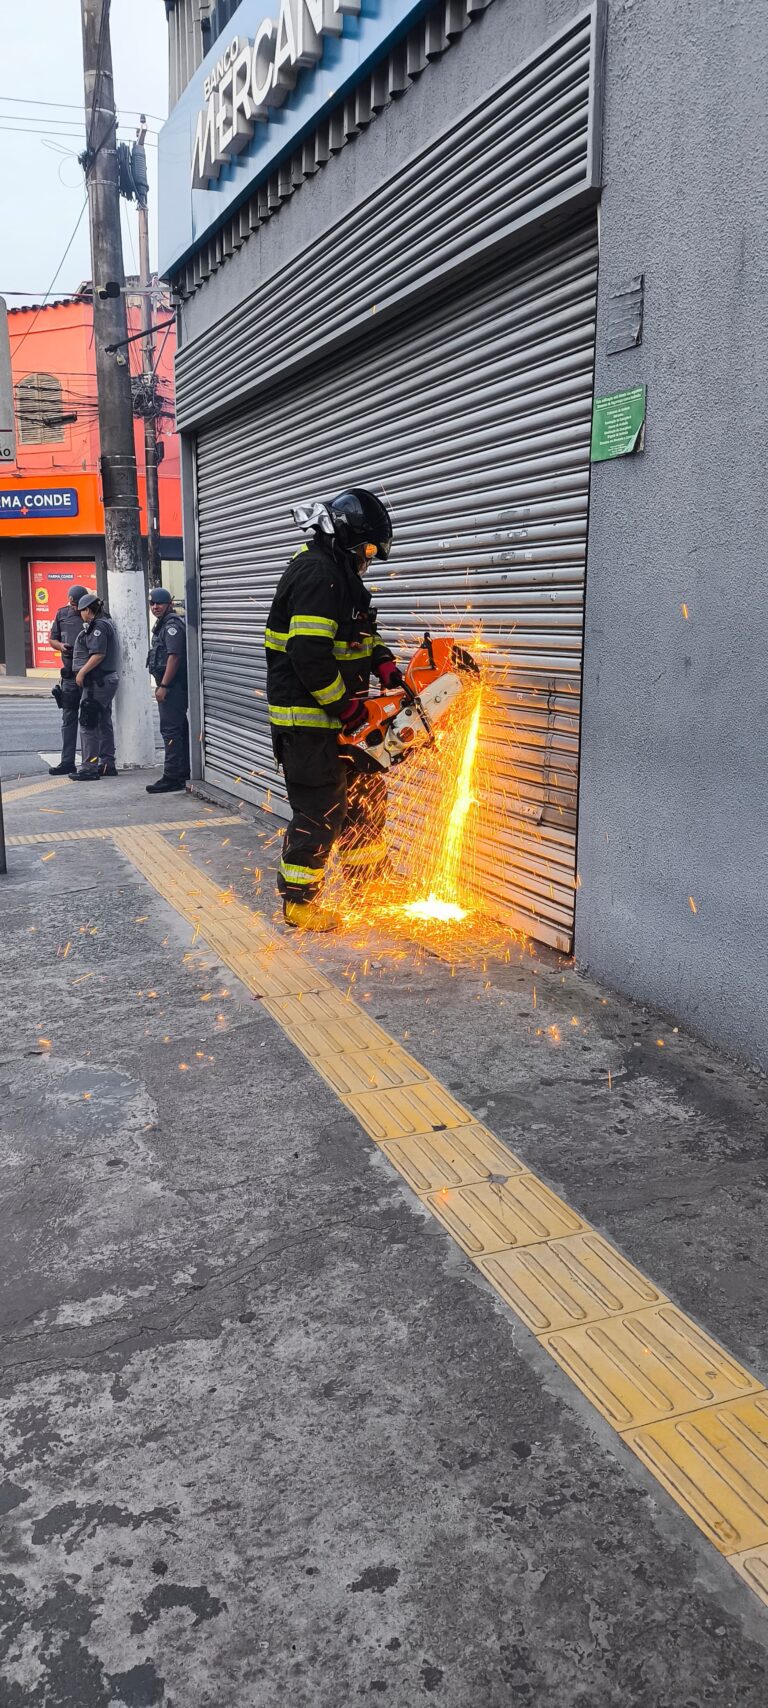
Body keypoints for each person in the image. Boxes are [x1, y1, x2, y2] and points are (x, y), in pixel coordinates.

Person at [265, 487, 402, 932]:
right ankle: (299, 903)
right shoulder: (317, 574)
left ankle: (369, 886)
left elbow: (356, 634)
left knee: (365, 801)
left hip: (341, 723)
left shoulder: (340, 576)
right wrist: (345, 707)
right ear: (345, 538)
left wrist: (384, 662)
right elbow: (309, 654)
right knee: (321, 809)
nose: (367, 558)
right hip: (310, 725)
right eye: (365, 549)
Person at [70, 592, 120, 781]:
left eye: (81, 611)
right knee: (103, 722)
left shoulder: (98, 625)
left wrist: (82, 672)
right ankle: (107, 764)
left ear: (87, 610)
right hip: (105, 680)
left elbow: (98, 654)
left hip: (98, 682)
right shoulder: (107, 623)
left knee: (88, 723)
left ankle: (89, 768)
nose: (80, 614)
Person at [145, 588, 190, 794]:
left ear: (169, 603)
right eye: (153, 604)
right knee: (179, 729)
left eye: (160, 603)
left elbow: (174, 656)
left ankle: (172, 776)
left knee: (171, 730)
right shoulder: (162, 624)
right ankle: (183, 772)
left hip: (173, 687)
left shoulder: (172, 625)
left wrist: (163, 686)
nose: (156, 607)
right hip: (170, 685)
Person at [47, 583, 88, 775]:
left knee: (92, 720)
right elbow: (52, 639)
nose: (73, 608)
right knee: (68, 719)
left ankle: (94, 763)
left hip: (90, 676)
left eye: (76, 605)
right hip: (70, 675)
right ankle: (67, 762)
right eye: (71, 604)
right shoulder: (62, 614)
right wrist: (61, 646)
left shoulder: (94, 614)